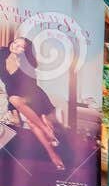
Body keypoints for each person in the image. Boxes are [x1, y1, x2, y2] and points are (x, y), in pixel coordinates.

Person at [4, 37, 65, 170]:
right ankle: (53, 154)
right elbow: (9, 89)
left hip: (33, 97)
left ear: (25, 51)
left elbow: (32, 91)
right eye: (15, 43)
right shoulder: (2, 53)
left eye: (20, 46)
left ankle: (47, 134)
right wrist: (14, 110)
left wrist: (18, 103)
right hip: (17, 98)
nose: (15, 46)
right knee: (30, 122)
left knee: (15, 101)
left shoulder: (27, 67)